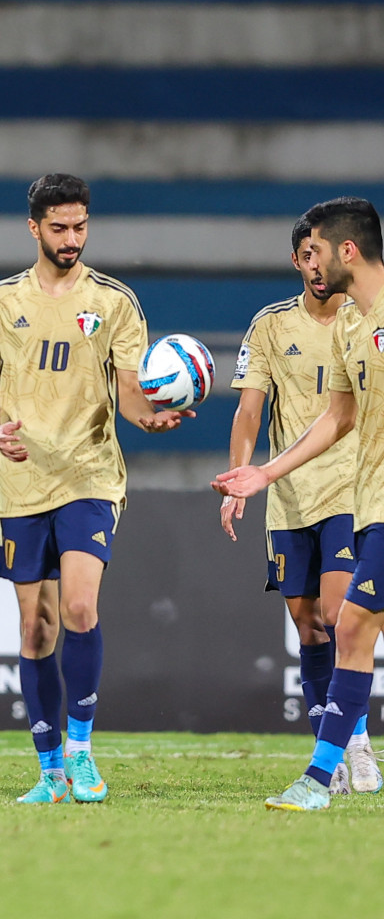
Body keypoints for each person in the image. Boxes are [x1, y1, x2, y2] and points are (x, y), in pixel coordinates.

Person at [0, 174, 191, 805]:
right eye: (59, 228)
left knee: (80, 609)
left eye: (81, 226)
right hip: (20, 481)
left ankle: (83, 752)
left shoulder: (115, 301)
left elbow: (130, 397)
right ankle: (50, 771)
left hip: (89, 474)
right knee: (35, 631)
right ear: (34, 227)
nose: (72, 239)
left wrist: (152, 417)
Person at [214, 197, 384, 812]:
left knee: (346, 619)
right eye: (303, 255)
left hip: (354, 495)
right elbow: (310, 415)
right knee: (321, 626)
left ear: (344, 251)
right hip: (304, 501)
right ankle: (329, 761)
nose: (313, 266)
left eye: (320, 251)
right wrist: (254, 475)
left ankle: (340, 757)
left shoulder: (362, 320)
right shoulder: (304, 328)